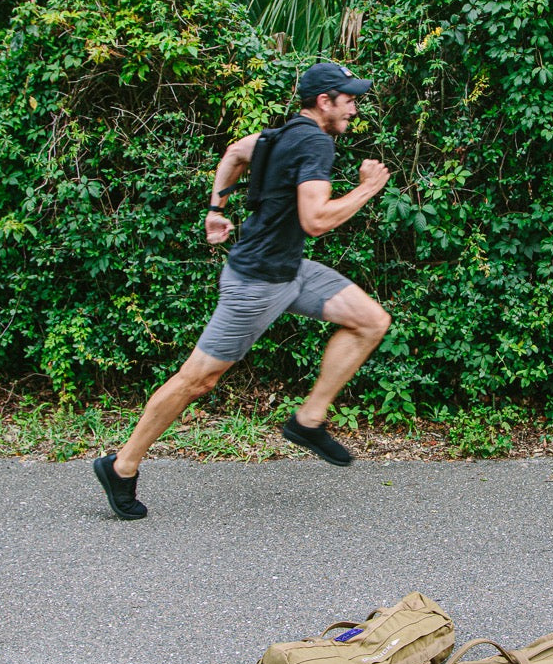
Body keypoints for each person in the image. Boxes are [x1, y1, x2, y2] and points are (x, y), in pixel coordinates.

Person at [93, 62, 392, 520]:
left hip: (289, 271)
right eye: (348, 97)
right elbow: (316, 220)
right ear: (323, 102)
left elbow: (235, 153)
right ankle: (121, 464)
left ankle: (308, 420)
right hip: (256, 283)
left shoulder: (276, 136)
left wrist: (217, 208)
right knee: (198, 380)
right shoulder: (314, 141)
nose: (355, 105)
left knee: (371, 321)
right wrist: (368, 188)